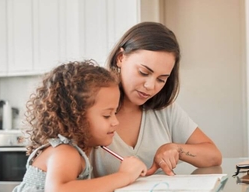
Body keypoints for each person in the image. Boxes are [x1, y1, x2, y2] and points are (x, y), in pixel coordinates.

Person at [8, 60, 147, 192]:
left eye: (115, 113)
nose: (115, 122)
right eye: (107, 115)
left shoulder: (75, 152)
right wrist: (124, 175)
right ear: (75, 118)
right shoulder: (65, 152)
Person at [91, 21, 222, 177]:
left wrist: (175, 148)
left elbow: (214, 156)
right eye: (143, 72)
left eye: (161, 79)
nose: (150, 86)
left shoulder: (165, 109)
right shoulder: (91, 105)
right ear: (120, 58)